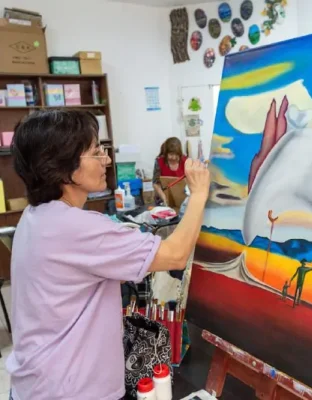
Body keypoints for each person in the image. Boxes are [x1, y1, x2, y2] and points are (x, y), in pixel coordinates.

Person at [7, 110, 210, 400]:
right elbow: (176, 254)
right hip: (72, 391)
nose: (106, 160)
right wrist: (199, 193)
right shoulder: (77, 228)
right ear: (63, 167)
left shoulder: (34, 216)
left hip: (35, 385)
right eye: (95, 152)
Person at [152, 137, 187, 205]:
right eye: (171, 154)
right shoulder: (159, 162)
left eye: (176, 155)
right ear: (166, 153)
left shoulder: (185, 161)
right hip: (163, 197)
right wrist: (164, 198)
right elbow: (155, 183)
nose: (174, 157)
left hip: (181, 199)